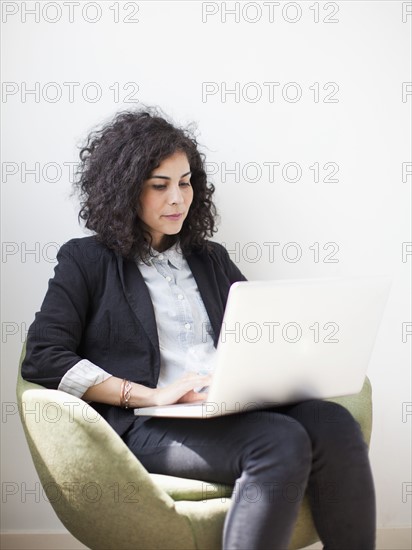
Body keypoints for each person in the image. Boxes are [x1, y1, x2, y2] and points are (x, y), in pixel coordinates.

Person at [22, 108, 376, 549]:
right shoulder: (86, 261)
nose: (177, 199)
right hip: (148, 422)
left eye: (185, 182)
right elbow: (44, 356)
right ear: (124, 189)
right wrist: (148, 394)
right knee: (278, 441)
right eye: (159, 185)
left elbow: (257, 333)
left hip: (225, 407)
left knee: (335, 422)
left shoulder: (210, 258)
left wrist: (295, 355)